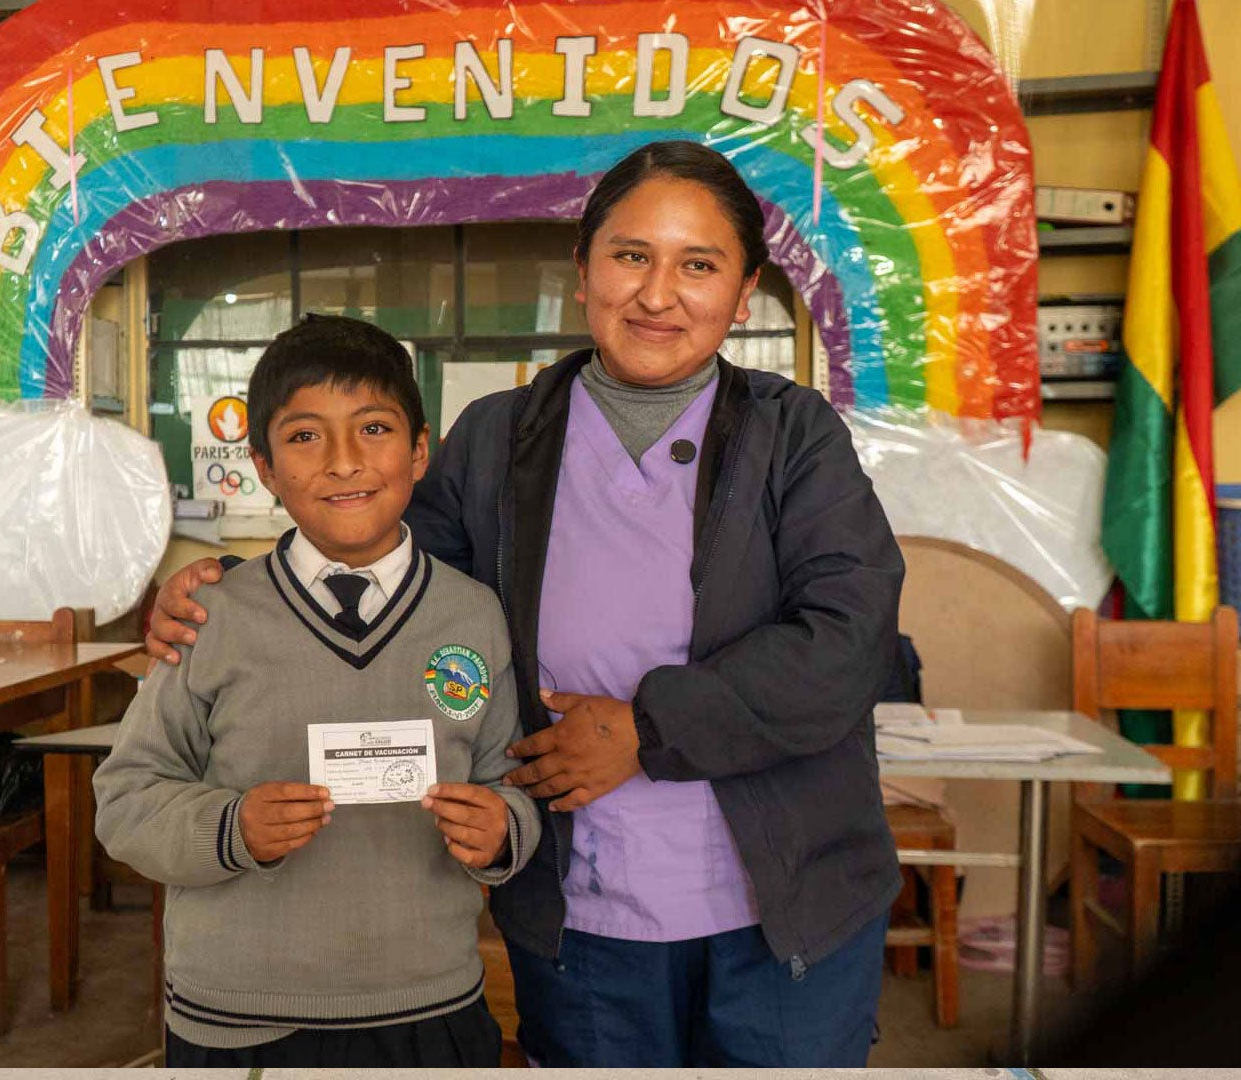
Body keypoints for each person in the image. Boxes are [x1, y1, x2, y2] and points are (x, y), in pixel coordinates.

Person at [147, 141, 905, 1066]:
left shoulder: (795, 437)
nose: (658, 294)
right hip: (582, 908)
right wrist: (219, 589)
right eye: (631, 256)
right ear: (582, 271)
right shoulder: (498, 440)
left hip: (785, 908)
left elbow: (851, 641)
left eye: (697, 265)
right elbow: (375, 564)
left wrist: (645, 727)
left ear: (745, 292)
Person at [94, 314, 541, 1068]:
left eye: (374, 428)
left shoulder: (472, 613)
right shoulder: (211, 616)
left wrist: (503, 830)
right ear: (264, 466)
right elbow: (127, 800)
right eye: (305, 437)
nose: (343, 462)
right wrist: (231, 826)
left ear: (421, 450)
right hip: (239, 1013)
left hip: (430, 1000)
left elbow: (515, 781)